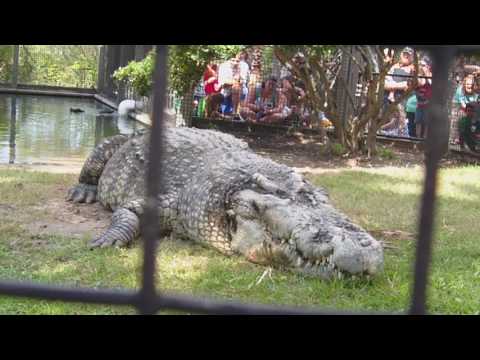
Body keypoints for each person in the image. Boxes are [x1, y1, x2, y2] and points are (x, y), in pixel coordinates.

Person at [381, 47, 416, 137]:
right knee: (388, 120)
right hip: (387, 100)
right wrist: (397, 85)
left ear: (412, 57)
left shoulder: (412, 69)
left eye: (408, 55)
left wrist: (392, 85)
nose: (406, 56)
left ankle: (403, 138)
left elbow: (406, 86)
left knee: (400, 121)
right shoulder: (394, 66)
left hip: (401, 100)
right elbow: (384, 83)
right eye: (404, 54)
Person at [451, 74, 479, 144]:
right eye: (467, 84)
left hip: (469, 106)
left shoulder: (475, 90)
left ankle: (468, 137)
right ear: (465, 83)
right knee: (459, 118)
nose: (469, 85)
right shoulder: (460, 90)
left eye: (470, 84)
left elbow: (476, 101)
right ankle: (454, 138)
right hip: (457, 104)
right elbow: (462, 102)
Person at [414, 57, 433, 139]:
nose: (421, 67)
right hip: (419, 104)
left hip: (428, 104)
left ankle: (425, 137)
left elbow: (432, 84)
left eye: (423, 65)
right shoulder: (418, 76)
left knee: (426, 122)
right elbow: (418, 84)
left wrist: (427, 75)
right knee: (418, 121)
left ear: (428, 66)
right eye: (420, 65)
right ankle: (417, 137)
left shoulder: (431, 75)